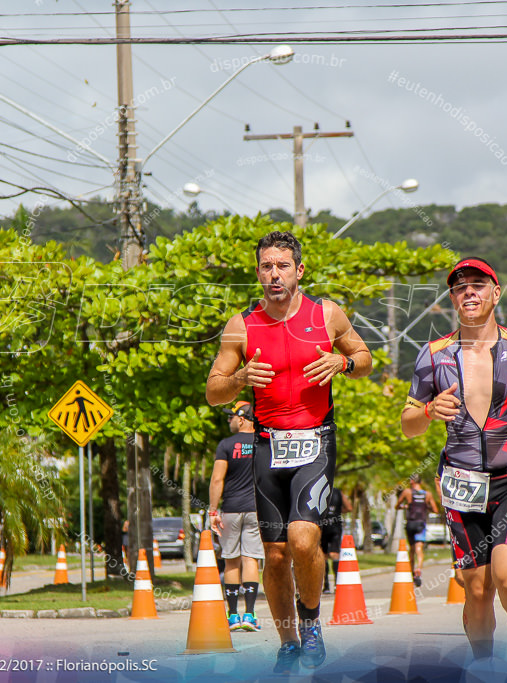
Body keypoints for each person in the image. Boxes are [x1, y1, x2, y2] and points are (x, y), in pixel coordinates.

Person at [206, 230, 372, 672]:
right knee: (275, 554)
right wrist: (240, 379)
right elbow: (212, 391)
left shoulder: (327, 314)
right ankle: (287, 639)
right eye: (266, 266)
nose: (274, 273)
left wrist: (344, 362)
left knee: (303, 539)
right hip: (267, 445)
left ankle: (312, 621)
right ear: (257, 273)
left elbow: (365, 357)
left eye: (282, 265)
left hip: (315, 441)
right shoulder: (241, 325)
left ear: (299, 271)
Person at [400, 256, 507, 667]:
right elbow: (407, 424)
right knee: (475, 590)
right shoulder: (433, 354)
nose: (468, 292)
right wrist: (427, 412)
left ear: (496, 293)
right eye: (460, 287)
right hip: (461, 484)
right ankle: (485, 669)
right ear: (452, 299)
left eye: (477, 284)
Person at [209, 400, 264, 632]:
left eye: (231, 417)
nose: (229, 420)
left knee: (231, 560)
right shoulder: (264, 443)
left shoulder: (225, 445)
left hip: (231, 508)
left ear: (242, 418)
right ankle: (250, 615)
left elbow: (217, 479)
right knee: (250, 558)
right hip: (257, 509)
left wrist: (213, 510)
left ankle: (232, 617)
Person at [396, 474, 439, 587]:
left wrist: (404, 507)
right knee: (419, 549)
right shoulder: (427, 494)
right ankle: (418, 569)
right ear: (420, 482)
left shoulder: (407, 492)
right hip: (421, 523)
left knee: (411, 549)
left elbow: (397, 505)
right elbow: (435, 510)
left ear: (412, 482)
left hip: (410, 523)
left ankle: (411, 573)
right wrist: (426, 506)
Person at [320, 486, 353, 593]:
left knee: (326, 555)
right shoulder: (338, 492)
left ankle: (330, 585)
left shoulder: (319, 491)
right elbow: (348, 508)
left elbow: (349, 508)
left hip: (327, 528)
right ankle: (331, 584)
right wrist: (337, 512)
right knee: (329, 555)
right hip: (331, 527)